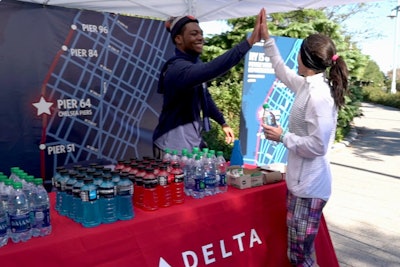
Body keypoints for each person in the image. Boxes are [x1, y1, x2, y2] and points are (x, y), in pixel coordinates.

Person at [259, 8, 349, 267]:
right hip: (300, 184)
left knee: (300, 256)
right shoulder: (307, 85)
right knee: (298, 253)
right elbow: (281, 71)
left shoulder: (319, 96)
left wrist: (282, 137)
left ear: (304, 57)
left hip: (310, 187)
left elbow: (319, 145)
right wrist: (267, 39)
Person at [152, 11, 263, 159]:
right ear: (178, 39)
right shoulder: (177, 69)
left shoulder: (193, 63)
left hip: (192, 144)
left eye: (201, 33)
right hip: (172, 149)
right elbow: (212, 69)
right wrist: (248, 43)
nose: (200, 38)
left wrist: (222, 122)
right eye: (194, 34)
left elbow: (204, 96)